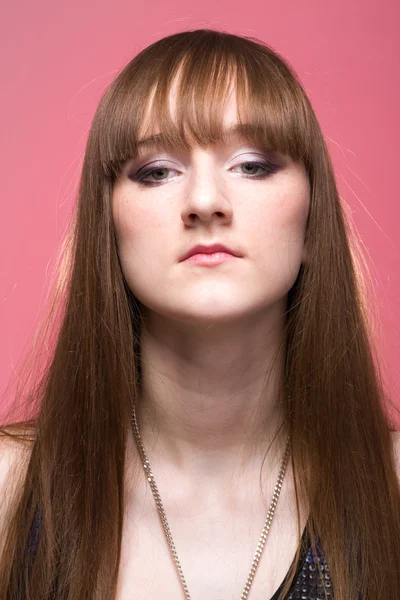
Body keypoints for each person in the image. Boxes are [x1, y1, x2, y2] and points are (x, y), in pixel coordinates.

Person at [0, 28, 399, 600]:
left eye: (254, 165)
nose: (205, 201)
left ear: (313, 220)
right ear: (107, 228)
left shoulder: (393, 488)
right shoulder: (9, 492)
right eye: (157, 170)